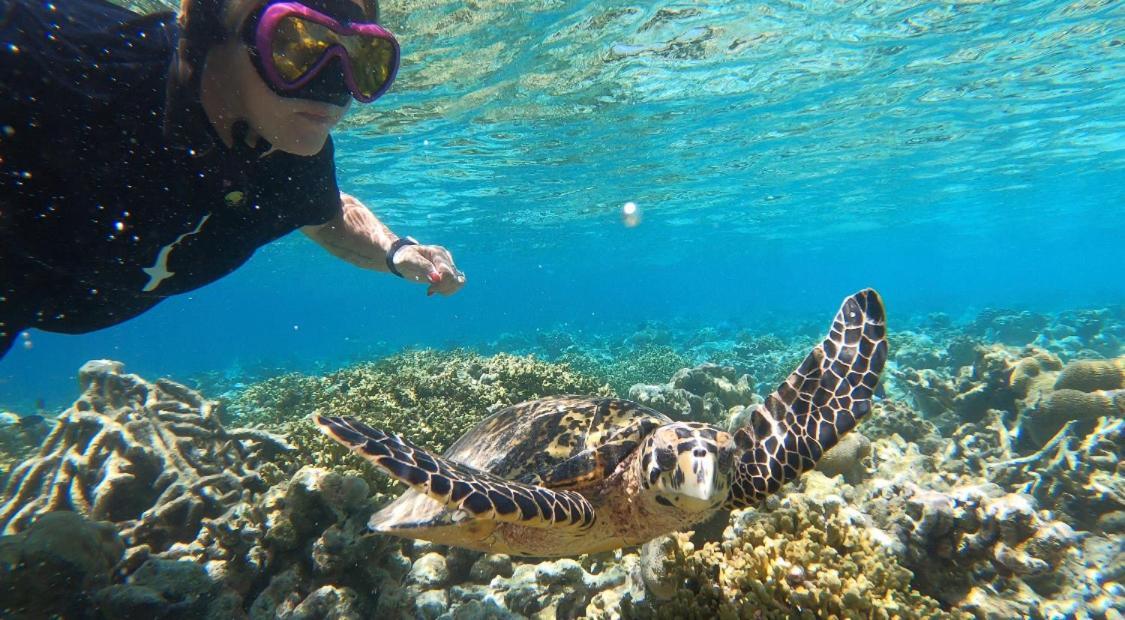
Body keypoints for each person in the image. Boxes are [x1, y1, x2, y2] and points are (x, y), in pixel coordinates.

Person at [0, 0, 465, 358]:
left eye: (364, 57)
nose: (335, 85)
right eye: (296, 45)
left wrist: (395, 252)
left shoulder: (287, 148)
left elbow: (327, 217)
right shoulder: (59, 63)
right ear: (206, 28)